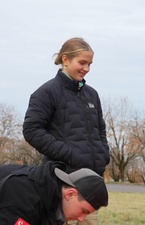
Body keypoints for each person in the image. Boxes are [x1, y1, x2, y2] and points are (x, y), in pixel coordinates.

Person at [23, 37, 110, 225]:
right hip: (62, 185)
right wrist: (69, 155)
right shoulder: (46, 92)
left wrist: (104, 155)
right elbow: (31, 130)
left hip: (91, 182)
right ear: (65, 59)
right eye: (82, 62)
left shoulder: (92, 94)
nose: (86, 68)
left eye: (90, 64)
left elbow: (100, 129)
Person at [0, 161, 108, 225]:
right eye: (83, 211)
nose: (81, 218)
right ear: (70, 194)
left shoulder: (54, 199)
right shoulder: (24, 198)